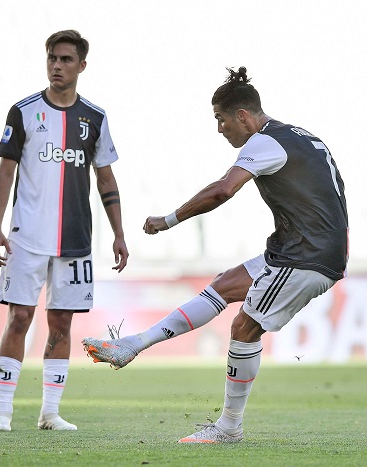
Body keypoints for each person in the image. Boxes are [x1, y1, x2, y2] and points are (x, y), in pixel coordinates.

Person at [82, 67, 348, 443]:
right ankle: (133, 344)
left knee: (244, 328)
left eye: (220, 120)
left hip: (307, 255)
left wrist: (168, 220)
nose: (220, 129)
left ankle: (228, 428)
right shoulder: (300, 136)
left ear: (242, 115)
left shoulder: (263, 142)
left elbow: (224, 190)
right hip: (304, 247)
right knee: (224, 285)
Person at [0, 30, 128, 432]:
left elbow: (106, 179)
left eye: (66, 59)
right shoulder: (24, 111)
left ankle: (50, 413)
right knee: (19, 318)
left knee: (62, 323)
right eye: (52, 58)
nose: (57, 65)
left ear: (81, 65)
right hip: (27, 236)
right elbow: (5, 171)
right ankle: (2, 412)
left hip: (76, 238)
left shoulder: (95, 119)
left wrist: (119, 234)